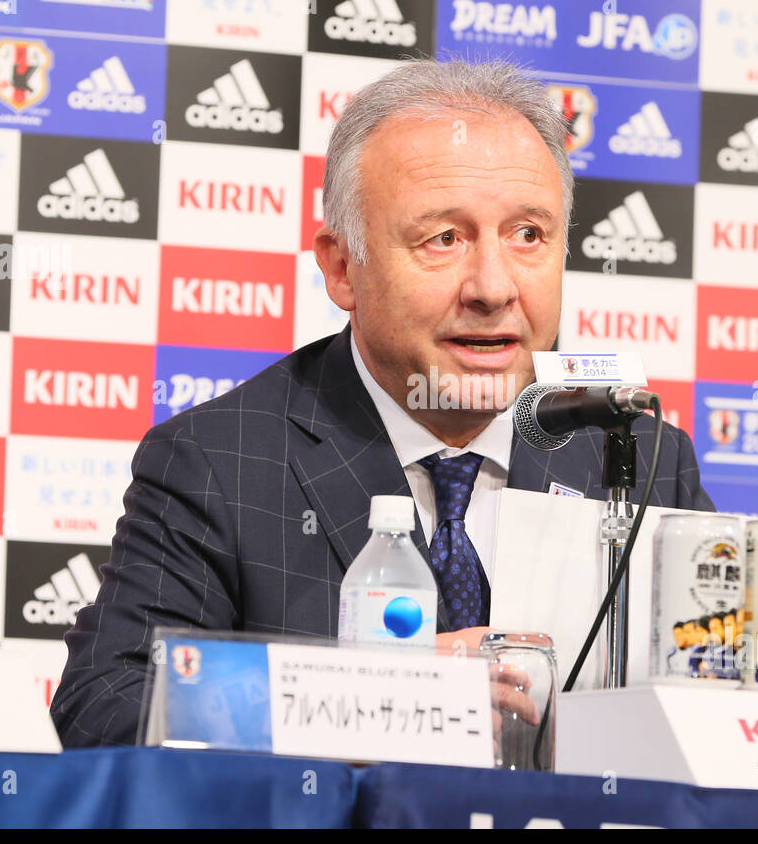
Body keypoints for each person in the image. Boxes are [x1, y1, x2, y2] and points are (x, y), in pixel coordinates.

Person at [50, 59, 715, 748]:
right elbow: (107, 707)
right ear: (342, 268)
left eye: (527, 235)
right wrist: (377, 700)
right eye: (443, 239)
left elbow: (718, 712)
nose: (493, 287)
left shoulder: (640, 458)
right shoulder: (221, 459)